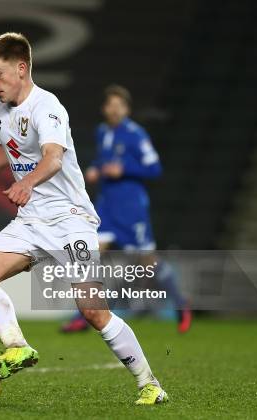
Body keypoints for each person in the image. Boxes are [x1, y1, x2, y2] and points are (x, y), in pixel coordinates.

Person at [0, 33, 169, 405]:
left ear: (21, 68)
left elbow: (53, 158)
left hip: (69, 220)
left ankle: (150, 383)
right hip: (31, 220)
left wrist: (27, 182)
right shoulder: (3, 109)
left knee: (93, 310)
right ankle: (17, 348)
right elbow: (5, 150)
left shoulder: (48, 107)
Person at [61, 85, 192, 334]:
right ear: (104, 108)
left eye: (119, 105)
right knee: (91, 256)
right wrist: (96, 169)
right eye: (110, 104)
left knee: (147, 262)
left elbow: (154, 169)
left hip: (131, 209)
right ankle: (85, 314)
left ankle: (180, 304)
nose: (114, 109)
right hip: (107, 207)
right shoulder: (103, 131)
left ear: (127, 109)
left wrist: (125, 171)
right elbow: (104, 159)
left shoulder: (136, 134)